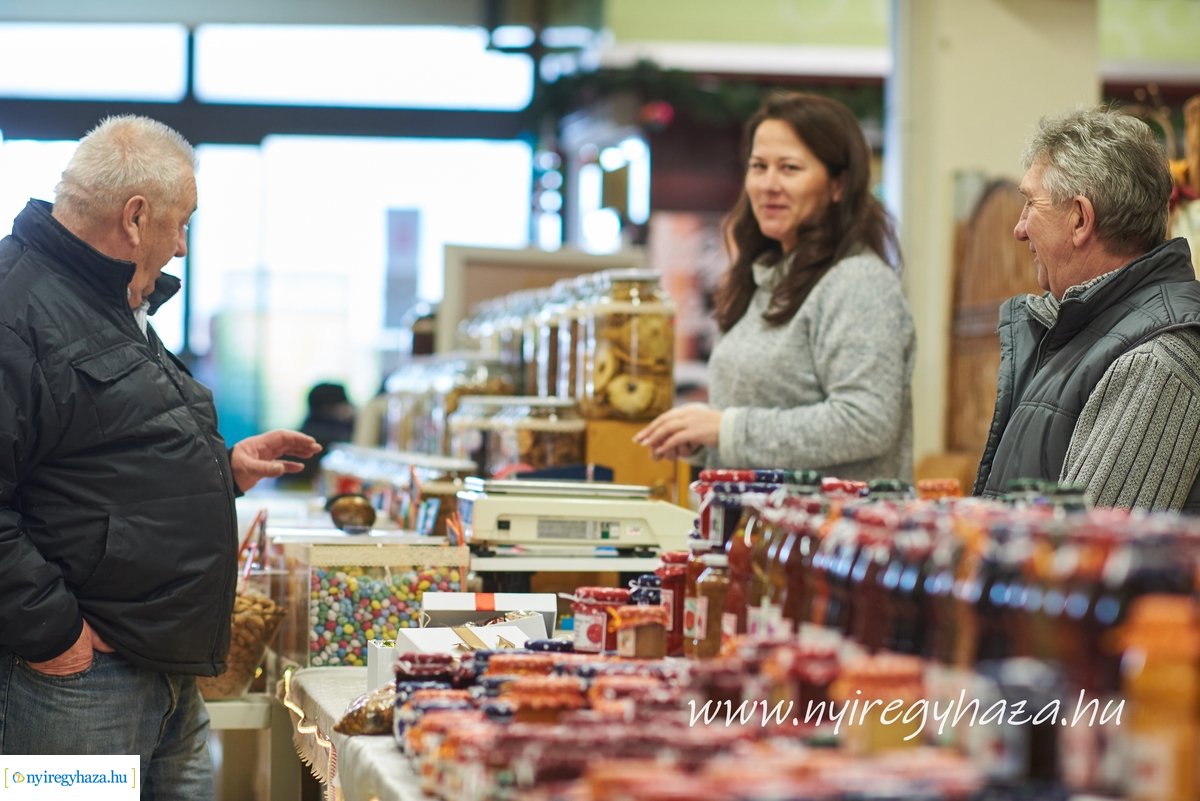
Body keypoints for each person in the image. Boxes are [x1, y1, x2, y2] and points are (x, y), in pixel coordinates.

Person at [0, 116, 321, 798]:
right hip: (77, 685)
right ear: (136, 217)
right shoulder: (16, 306)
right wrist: (58, 636)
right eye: (182, 225)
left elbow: (100, 452)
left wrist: (224, 467)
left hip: (160, 671)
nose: (180, 247)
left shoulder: (103, 299)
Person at [634, 92, 916, 482]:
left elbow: (866, 421)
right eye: (758, 166)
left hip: (830, 536)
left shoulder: (858, 282)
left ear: (838, 185)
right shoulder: (765, 277)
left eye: (789, 168)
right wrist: (706, 438)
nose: (768, 184)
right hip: (758, 534)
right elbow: (755, 423)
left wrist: (725, 428)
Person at [974, 107, 1200, 510]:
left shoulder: (1156, 361)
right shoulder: (1080, 330)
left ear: (1080, 219)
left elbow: (1090, 555)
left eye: (1031, 204)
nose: (1019, 228)